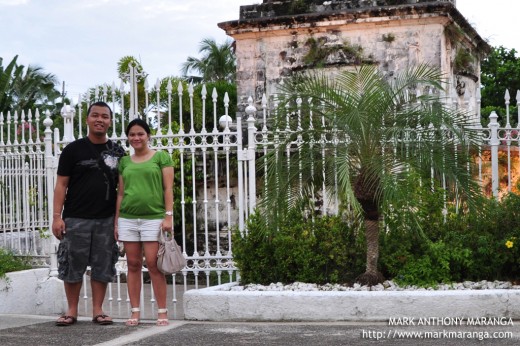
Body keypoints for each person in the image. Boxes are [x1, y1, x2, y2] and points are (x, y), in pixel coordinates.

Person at [52, 101, 125, 326]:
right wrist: (57, 216)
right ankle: (71, 311)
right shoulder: (73, 150)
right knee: (73, 264)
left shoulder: (117, 151)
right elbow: (61, 185)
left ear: (110, 121)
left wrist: (117, 221)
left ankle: (98, 311)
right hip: (75, 218)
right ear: (87, 119)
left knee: (103, 264)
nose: (99, 120)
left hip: (106, 219)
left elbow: (121, 189)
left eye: (105, 116)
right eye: (95, 115)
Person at [115, 118, 174, 327]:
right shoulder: (124, 162)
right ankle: (135, 312)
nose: (136, 137)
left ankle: (162, 312)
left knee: (153, 264)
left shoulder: (161, 157)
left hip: (153, 219)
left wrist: (168, 216)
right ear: (128, 138)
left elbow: (168, 189)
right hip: (128, 219)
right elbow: (121, 193)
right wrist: (116, 222)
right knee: (132, 265)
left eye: (140, 133)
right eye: (132, 134)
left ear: (148, 135)